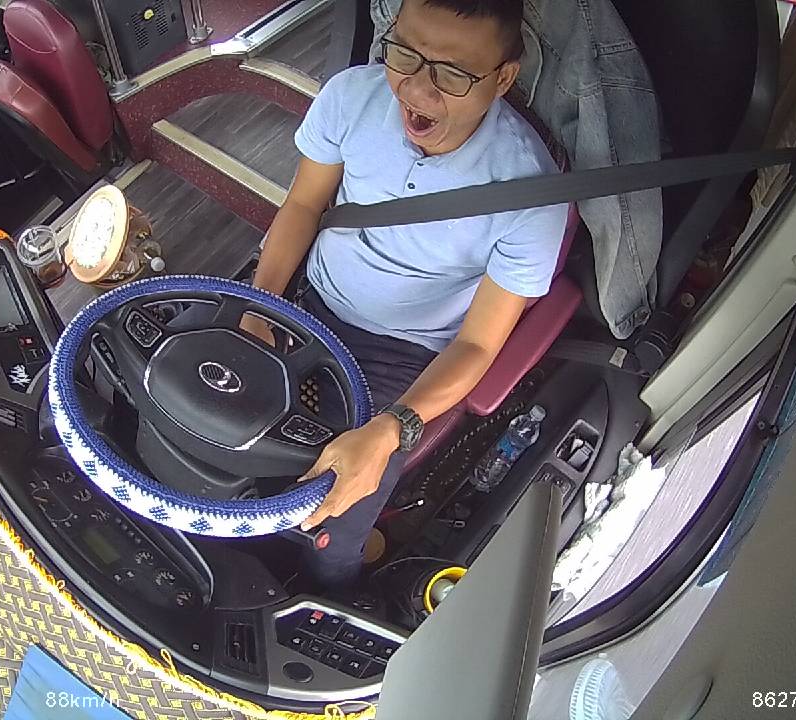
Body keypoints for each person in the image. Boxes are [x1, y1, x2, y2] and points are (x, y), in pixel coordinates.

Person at [242, 0, 569, 589]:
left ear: (502, 78)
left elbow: (476, 345)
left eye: (453, 72)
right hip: (308, 301)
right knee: (218, 421)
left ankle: (330, 586)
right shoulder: (352, 97)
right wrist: (262, 304)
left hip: (405, 354)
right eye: (406, 54)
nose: (417, 90)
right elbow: (303, 205)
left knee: (331, 514)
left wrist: (389, 429)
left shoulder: (530, 194)